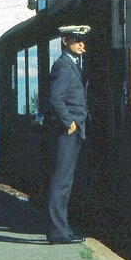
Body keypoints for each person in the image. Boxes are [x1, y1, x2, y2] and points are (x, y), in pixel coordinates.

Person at [44, 24, 90, 244]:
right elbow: (55, 99)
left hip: (74, 130)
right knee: (60, 182)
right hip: (67, 131)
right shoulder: (62, 66)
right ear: (65, 41)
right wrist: (69, 122)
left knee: (66, 182)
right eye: (76, 39)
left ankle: (62, 229)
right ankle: (57, 232)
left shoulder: (73, 65)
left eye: (82, 39)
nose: (82, 43)